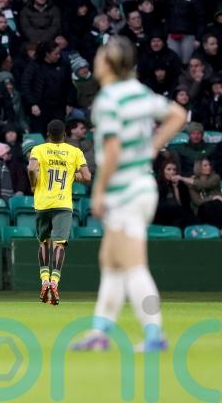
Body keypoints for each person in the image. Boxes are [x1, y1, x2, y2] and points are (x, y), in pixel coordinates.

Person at [71, 35, 186, 353]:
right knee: (111, 261)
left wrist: (99, 191)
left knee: (133, 264)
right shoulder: (138, 92)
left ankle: (154, 334)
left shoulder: (108, 99)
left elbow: (112, 148)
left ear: (107, 63)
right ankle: (99, 333)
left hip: (125, 190)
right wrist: (151, 146)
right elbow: (178, 115)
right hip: (139, 186)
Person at [28, 120, 91, 305]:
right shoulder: (75, 152)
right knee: (59, 244)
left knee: (44, 242)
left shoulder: (38, 149)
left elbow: (31, 168)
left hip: (43, 203)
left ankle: (44, 280)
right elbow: (87, 176)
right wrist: (73, 175)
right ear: (65, 135)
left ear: (48, 134)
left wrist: (33, 183)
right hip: (63, 203)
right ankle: (55, 282)